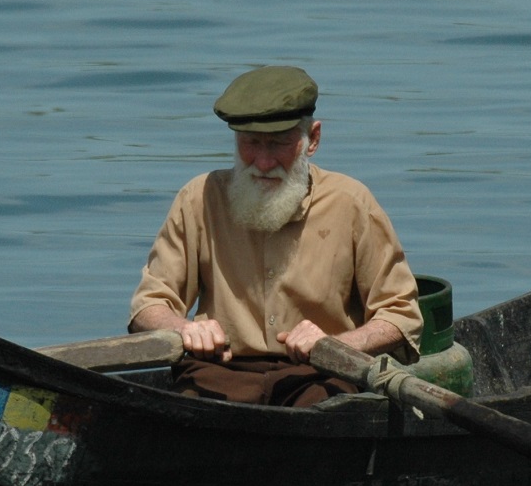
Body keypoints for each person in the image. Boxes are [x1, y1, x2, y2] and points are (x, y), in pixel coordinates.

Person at [128, 65, 423, 407]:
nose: (264, 162)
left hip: (319, 374)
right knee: (189, 414)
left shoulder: (352, 203)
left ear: (312, 139)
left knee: (325, 413)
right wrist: (183, 328)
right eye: (251, 143)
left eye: (280, 144)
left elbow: (401, 317)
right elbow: (148, 306)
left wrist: (337, 344)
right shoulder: (200, 198)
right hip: (219, 372)